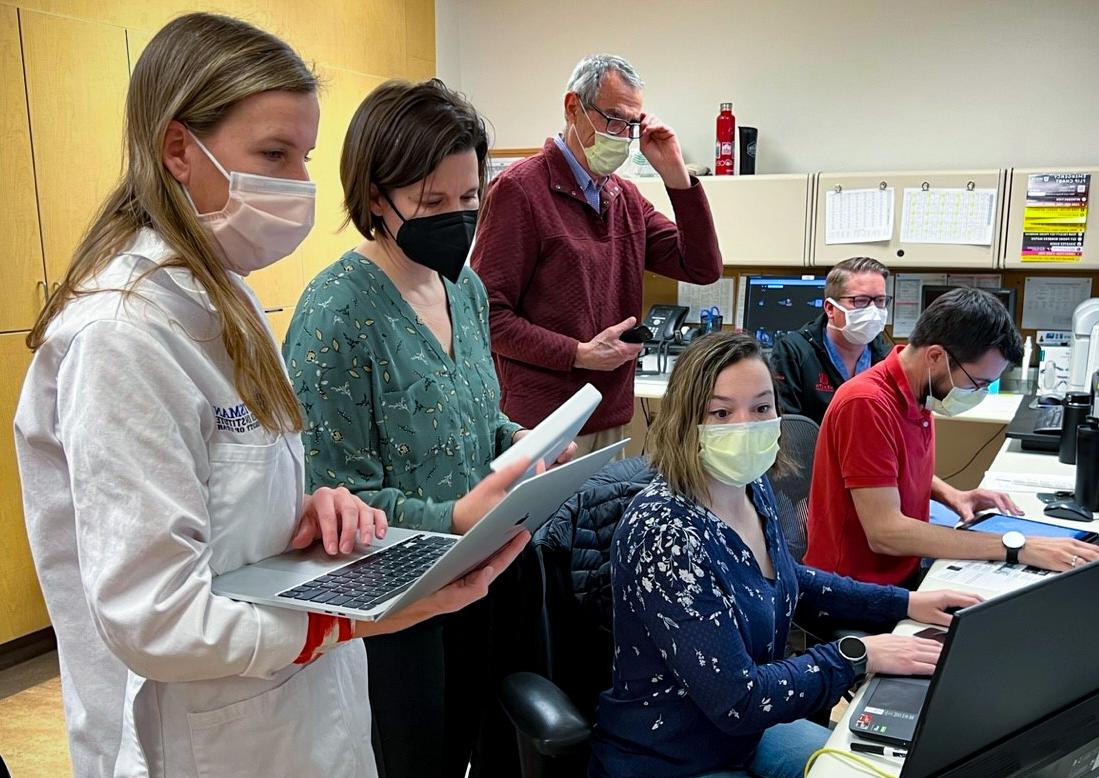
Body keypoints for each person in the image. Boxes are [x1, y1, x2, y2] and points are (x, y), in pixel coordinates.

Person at [13, 15, 526, 777]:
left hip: (296, 711)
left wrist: (313, 508)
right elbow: (154, 617)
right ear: (179, 150)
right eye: (273, 155)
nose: (297, 186)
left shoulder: (228, 300)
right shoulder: (121, 336)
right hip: (201, 735)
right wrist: (350, 622)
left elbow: (228, 502)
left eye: (304, 157)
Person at [283, 79, 564, 778]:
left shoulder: (462, 288)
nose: (457, 218)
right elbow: (331, 498)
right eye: (433, 202)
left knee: (499, 738)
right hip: (400, 608)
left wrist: (525, 445)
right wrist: (450, 516)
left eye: (469, 199)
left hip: (486, 569)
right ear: (376, 195)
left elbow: (476, 413)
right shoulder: (336, 314)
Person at [589, 332, 980, 778]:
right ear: (685, 421)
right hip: (673, 757)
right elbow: (738, 701)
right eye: (721, 412)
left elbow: (785, 578)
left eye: (761, 407)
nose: (746, 425)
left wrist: (907, 603)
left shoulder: (751, 486)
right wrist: (858, 655)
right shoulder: (664, 533)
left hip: (746, 735)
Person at [471, 53, 723, 455]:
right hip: (540, 424)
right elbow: (488, 318)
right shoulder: (520, 190)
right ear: (574, 108)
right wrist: (579, 354)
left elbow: (703, 267)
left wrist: (677, 176)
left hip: (609, 415)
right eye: (613, 119)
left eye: (632, 125)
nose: (623, 135)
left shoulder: (623, 197)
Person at [805, 287, 1099, 587]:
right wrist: (1017, 546)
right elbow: (886, 533)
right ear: (935, 356)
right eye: (977, 382)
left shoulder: (917, 390)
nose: (977, 392)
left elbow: (887, 468)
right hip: (852, 587)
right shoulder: (867, 403)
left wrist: (953, 495)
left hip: (900, 569)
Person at [770, 256, 893, 423]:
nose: (873, 311)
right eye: (860, 301)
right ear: (830, 308)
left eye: (880, 301)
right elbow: (791, 430)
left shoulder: (888, 358)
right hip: (813, 448)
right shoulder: (794, 352)